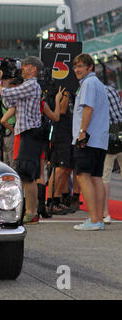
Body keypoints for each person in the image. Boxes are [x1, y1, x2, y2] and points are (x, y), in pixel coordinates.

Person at [0, 56, 45, 224]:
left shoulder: (31, 84)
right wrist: (4, 85)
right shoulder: (28, 85)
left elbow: (7, 94)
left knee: (27, 174)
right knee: (26, 174)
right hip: (28, 133)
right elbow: (9, 102)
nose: (22, 68)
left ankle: (31, 212)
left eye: (26, 66)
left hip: (30, 133)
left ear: (34, 69)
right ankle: (31, 211)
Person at [71, 53, 109, 231]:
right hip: (99, 139)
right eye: (75, 66)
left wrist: (81, 133)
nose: (76, 70)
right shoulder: (99, 85)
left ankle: (94, 219)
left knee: (83, 176)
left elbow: (88, 108)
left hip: (88, 138)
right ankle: (98, 219)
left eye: (80, 66)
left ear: (89, 67)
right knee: (96, 178)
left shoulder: (88, 83)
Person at [102, 85, 122, 224]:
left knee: (105, 177)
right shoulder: (112, 90)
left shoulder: (97, 93)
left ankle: (105, 213)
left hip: (109, 137)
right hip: (120, 132)